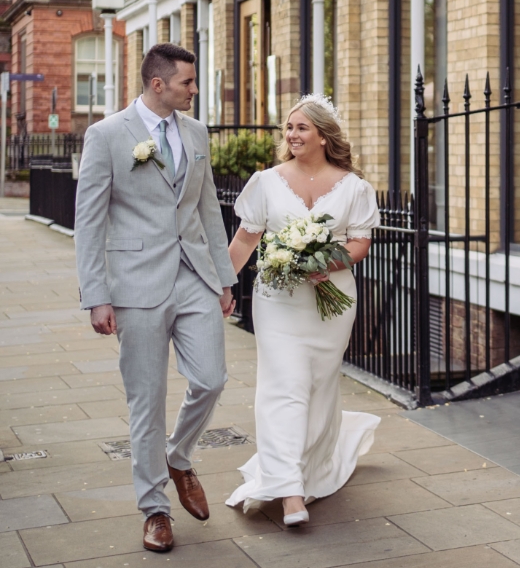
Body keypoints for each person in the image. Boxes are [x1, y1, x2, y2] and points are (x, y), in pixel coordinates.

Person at [74, 43, 237, 553]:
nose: (195, 90)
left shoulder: (195, 133)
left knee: (211, 379)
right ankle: (156, 509)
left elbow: (208, 209)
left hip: (194, 278)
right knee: (146, 402)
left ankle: (180, 456)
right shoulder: (106, 136)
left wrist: (225, 279)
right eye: (188, 82)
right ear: (158, 84)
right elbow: (89, 221)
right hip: (135, 284)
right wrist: (97, 295)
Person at [224, 94, 381, 526]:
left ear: (323, 136)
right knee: (283, 386)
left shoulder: (353, 187)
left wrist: (327, 262)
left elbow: (359, 242)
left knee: (318, 386)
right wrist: (219, 284)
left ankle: (312, 466)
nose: (292, 135)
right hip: (277, 302)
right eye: (289, 128)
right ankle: (288, 489)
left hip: (332, 303)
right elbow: (245, 240)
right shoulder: (267, 182)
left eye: (301, 128)